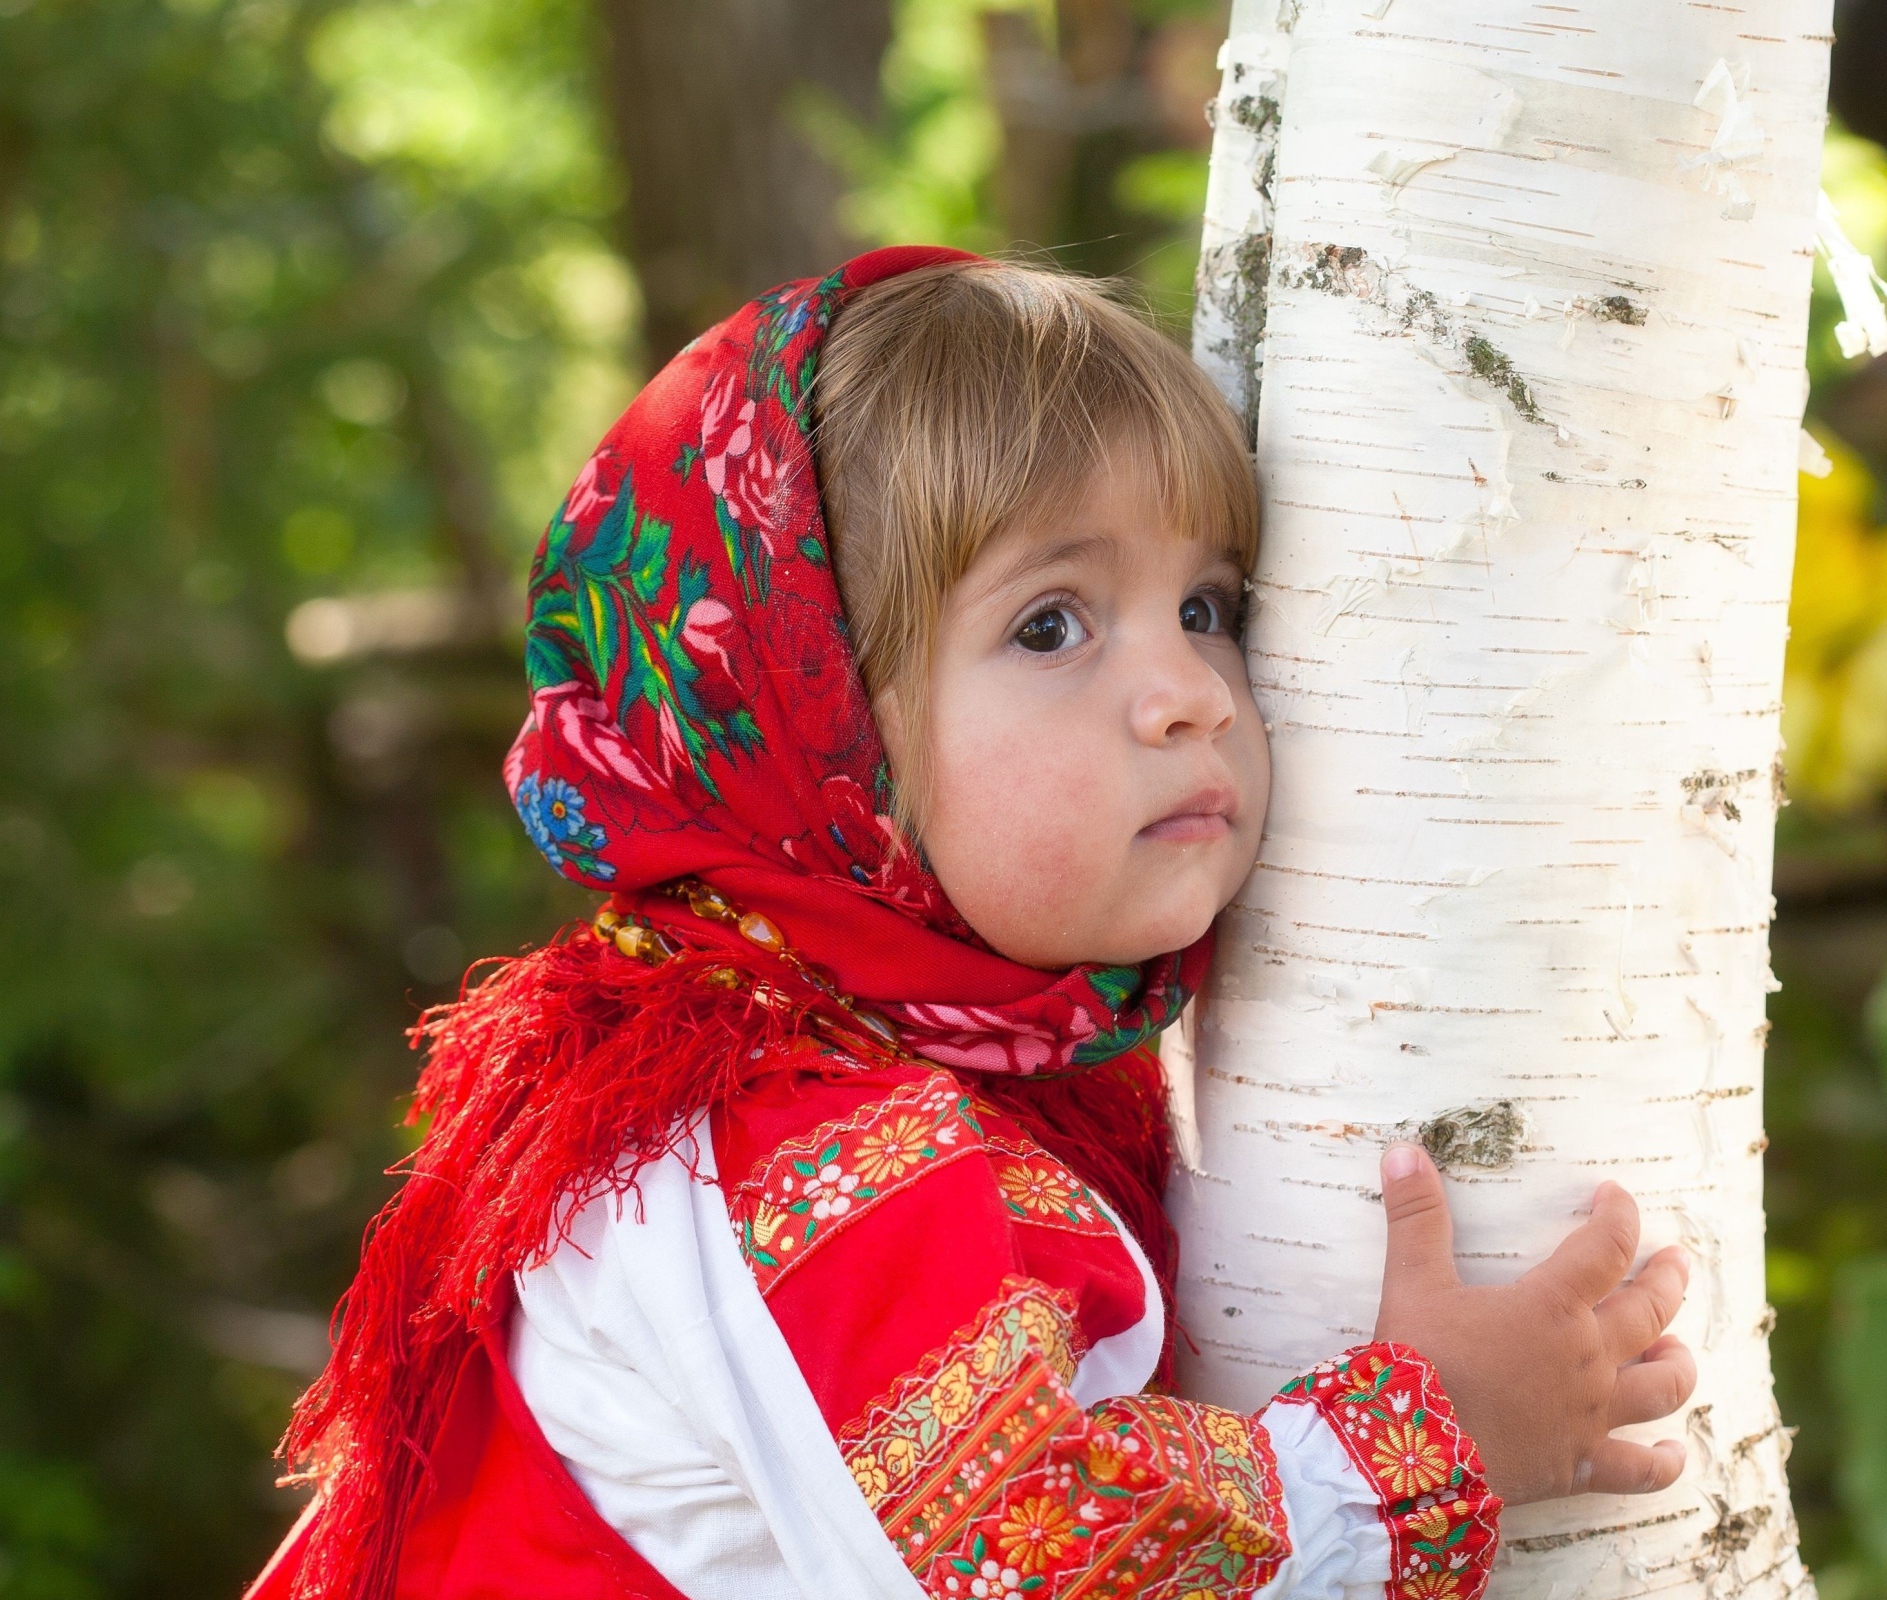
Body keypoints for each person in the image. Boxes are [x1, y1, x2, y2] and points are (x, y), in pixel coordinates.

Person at [248, 247, 1696, 1600]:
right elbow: (1024, 1552)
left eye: (1207, 604)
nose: (1191, 690)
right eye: (1052, 625)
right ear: (810, 734)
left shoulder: (954, 1066)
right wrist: (1426, 1444)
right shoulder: (778, 1141)